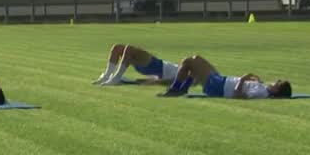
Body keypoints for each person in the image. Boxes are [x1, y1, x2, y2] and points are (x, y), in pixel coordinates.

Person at [160, 56, 292, 99]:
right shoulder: (264, 88)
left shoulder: (262, 92)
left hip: (218, 87)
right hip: (220, 80)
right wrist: (254, 80)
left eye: (278, 83)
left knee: (189, 62)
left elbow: (237, 95)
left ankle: (175, 90)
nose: (276, 81)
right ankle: (181, 89)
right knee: (196, 61)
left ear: (277, 90)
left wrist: (243, 78)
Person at [92, 44, 179, 85]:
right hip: (158, 65)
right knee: (117, 48)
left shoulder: (188, 77)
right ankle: (107, 76)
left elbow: (174, 81)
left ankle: (116, 78)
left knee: (129, 49)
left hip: (156, 67)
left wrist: (156, 82)